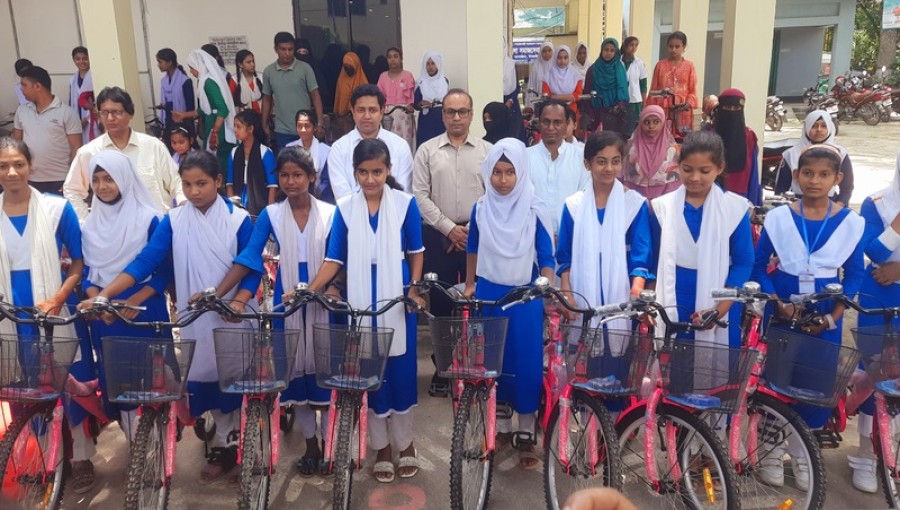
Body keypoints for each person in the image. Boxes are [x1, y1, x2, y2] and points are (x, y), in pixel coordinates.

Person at [91, 150, 261, 484]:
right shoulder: (174, 220)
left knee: (236, 378)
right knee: (206, 379)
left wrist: (240, 301)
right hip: (193, 314)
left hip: (234, 314)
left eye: (202, 183)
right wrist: (106, 294)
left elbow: (251, 265)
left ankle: (240, 444)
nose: (194, 191)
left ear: (217, 182)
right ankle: (224, 443)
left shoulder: (240, 219)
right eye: (187, 184)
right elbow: (147, 260)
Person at [211, 146, 337, 477]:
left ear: (311, 177)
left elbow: (339, 259)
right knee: (296, 377)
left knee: (326, 377)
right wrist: (222, 294)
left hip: (325, 303)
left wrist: (327, 289)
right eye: (284, 175)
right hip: (286, 304)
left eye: (298, 175)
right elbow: (252, 257)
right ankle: (311, 445)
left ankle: (332, 445)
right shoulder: (270, 214)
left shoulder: (332, 213)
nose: (291, 181)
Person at [308, 138, 426, 483]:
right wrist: (309, 290)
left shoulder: (406, 204)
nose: (371, 179)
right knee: (368, 375)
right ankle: (382, 448)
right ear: (355, 172)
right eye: (363, 172)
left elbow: (416, 251)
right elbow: (334, 259)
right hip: (359, 297)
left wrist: (414, 288)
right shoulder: (344, 208)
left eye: (377, 171)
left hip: (397, 294)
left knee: (401, 372)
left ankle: (405, 445)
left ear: (388, 170)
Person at [752, 144, 865, 490]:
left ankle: (803, 454)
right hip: (784, 308)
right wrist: (778, 302)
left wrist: (833, 317)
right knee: (776, 380)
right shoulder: (780, 218)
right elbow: (760, 265)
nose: (814, 180)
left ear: (837, 178)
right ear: (797, 175)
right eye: (808, 173)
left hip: (825, 310)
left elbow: (855, 274)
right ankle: (770, 451)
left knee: (816, 384)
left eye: (824, 174)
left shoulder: (850, 223)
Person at [0, 137, 91, 492]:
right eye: (3, 166)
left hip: (52, 313)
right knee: (25, 391)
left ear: (30, 167)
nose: (11, 172)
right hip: (10, 316)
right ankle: (41, 460)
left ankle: (81, 458)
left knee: (68, 384)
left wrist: (58, 298)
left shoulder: (56, 208)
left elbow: (79, 263)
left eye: (18, 164)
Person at [463, 137, 555, 469]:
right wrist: (470, 283)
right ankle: (499, 428)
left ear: (521, 173)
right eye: (497, 172)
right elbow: (472, 247)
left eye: (509, 172)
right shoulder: (481, 207)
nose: (502, 180)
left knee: (526, 364)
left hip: (526, 297)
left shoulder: (534, 207)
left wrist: (545, 285)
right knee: (493, 363)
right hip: (489, 293)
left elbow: (546, 255)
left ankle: (526, 432)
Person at [77, 150, 170, 462]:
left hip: (143, 310)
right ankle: (138, 446)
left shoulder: (149, 218)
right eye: (97, 180)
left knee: (153, 381)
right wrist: (97, 299)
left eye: (110, 179)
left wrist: (133, 299)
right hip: (106, 317)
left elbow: (163, 270)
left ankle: (158, 439)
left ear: (125, 179)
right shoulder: (89, 226)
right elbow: (87, 272)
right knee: (122, 385)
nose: (103, 186)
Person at [651, 129, 753, 367]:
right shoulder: (662, 207)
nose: (695, 177)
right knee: (675, 368)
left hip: (719, 297)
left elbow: (743, 260)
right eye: (687, 169)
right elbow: (654, 259)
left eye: (704, 171)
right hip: (674, 296)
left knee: (715, 376)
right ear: (678, 166)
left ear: (719, 168)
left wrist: (720, 309)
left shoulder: (734, 209)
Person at [413, 89, 491, 395]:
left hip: (480, 236)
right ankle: (444, 367)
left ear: (472, 114)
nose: (456, 118)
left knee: (478, 302)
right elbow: (420, 195)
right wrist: (448, 229)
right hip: (439, 237)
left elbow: (495, 194)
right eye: (450, 112)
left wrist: (470, 229)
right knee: (443, 306)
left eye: (462, 111)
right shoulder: (427, 151)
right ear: (442, 114)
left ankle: (476, 367)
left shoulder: (488, 151)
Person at [557, 131, 653, 330]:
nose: (609, 168)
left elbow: (641, 255)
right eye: (601, 162)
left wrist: (637, 289)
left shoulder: (634, 204)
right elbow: (565, 258)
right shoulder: (573, 206)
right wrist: (567, 295)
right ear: (587, 164)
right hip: (581, 296)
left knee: (620, 355)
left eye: (615, 161)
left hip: (623, 296)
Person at [853, 149, 900, 493]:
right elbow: (875, 251)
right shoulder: (877, 203)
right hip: (879, 296)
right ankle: (867, 455)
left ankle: (892, 450)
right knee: (876, 374)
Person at [65, 86, 184, 219]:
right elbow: (72, 190)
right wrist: (85, 221)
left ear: (130, 114)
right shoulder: (90, 152)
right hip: (112, 232)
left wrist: (183, 205)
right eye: (104, 113)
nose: (110, 118)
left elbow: (177, 181)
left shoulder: (153, 146)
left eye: (116, 112)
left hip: (156, 229)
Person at [328, 84, 413, 200]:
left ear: (382, 111)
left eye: (372, 110)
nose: (367, 116)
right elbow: (343, 198)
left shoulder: (400, 146)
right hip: (352, 216)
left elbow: (403, 193)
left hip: (394, 215)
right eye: (361, 110)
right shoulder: (339, 149)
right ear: (352, 111)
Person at [12, 66, 82, 195]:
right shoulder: (22, 111)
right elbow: (15, 145)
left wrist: (71, 179)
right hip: (30, 179)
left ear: (37, 86)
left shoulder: (66, 113)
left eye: (24, 85)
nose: (21, 89)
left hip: (60, 179)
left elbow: (76, 148)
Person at [526, 100, 589, 234]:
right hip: (532, 240)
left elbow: (586, 197)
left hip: (572, 240)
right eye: (546, 122)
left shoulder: (582, 157)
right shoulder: (524, 158)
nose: (551, 128)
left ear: (567, 125)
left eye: (557, 122)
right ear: (539, 123)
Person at [775, 112, 854, 206]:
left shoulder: (840, 153)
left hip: (830, 203)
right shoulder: (791, 154)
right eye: (814, 126)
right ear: (806, 127)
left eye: (824, 126)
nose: (819, 130)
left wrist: (839, 206)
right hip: (797, 203)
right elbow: (781, 188)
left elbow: (847, 187)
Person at [262, 32, 325, 150]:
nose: (287, 53)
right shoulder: (269, 72)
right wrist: (264, 123)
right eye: (283, 49)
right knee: (286, 166)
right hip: (282, 130)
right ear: (276, 49)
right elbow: (267, 99)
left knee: (308, 165)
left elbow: (315, 95)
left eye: (290, 49)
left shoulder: (305, 68)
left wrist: (320, 123)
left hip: (305, 127)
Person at [186, 49, 237, 176]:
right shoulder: (204, 81)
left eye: (192, 68)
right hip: (213, 124)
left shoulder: (208, 82)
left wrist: (215, 132)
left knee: (219, 165)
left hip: (219, 129)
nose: (191, 72)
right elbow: (203, 110)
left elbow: (222, 109)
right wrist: (182, 115)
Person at [713, 88, 761, 206]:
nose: (732, 111)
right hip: (712, 195)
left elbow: (753, 173)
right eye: (727, 107)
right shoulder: (708, 135)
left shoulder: (749, 136)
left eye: (736, 108)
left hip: (741, 197)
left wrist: (753, 203)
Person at [622, 105, 681, 199]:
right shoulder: (632, 147)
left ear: (663, 123)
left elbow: (675, 179)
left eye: (656, 122)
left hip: (663, 198)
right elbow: (625, 175)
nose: (651, 126)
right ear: (641, 123)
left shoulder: (671, 148)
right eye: (647, 122)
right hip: (636, 199)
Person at [227, 109, 276, 216]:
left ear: (250, 129)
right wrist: (232, 208)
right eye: (234, 126)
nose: (235, 130)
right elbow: (229, 184)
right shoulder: (234, 152)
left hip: (259, 200)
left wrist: (270, 211)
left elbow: (272, 186)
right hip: (239, 197)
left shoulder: (265, 152)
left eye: (239, 127)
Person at [648, 31, 698, 134]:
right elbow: (653, 91)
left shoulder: (689, 66)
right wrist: (650, 111)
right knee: (662, 140)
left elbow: (692, 90)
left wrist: (687, 104)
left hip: (683, 112)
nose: (673, 49)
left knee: (682, 143)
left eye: (677, 46)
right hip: (662, 111)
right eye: (671, 46)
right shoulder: (660, 65)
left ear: (683, 47)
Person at [286, 110, 333, 204]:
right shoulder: (289, 148)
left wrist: (313, 195)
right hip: (295, 195)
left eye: (307, 126)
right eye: (299, 126)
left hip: (320, 196)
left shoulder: (326, 151)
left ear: (314, 127)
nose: (303, 130)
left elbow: (326, 180)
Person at [585, 38, 630, 136]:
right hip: (597, 113)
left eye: (612, 50)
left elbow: (623, 92)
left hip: (615, 114)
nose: (608, 53)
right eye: (606, 50)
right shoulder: (593, 70)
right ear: (601, 50)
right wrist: (590, 115)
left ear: (616, 52)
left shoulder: (619, 69)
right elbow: (587, 93)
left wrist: (619, 107)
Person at [377, 47, 417, 152]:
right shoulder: (383, 77)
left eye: (396, 56)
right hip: (387, 115)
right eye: (390, 57)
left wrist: (410, 106)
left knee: (404, 145)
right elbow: (379, 97)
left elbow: (411, 99)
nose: (393, 60)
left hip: (403, 115)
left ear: (401, 58)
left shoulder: (407, 75)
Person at [156, 48, 195, 134]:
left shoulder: (185, 81)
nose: (158, 65)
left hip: (183, 122)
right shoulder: (163, 81)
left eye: (160, 62)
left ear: (169, 63)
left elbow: (190, 107)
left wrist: (190, 129)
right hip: (168, 120)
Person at [414, 52, 448, 147]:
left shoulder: (444, 82)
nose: (430, 67)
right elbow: (415, 104)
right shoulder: (420, 82)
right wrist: (421, 103)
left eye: (433, 63)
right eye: (428, 64)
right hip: (426, 120)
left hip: (441, 119)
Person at [542, 45, 584, 114]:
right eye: (559, 58)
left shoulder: (575, 75)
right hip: (553, 111)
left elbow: (578, 94)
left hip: (571, 111)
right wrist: (567, 97)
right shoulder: (548, 75)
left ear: (569, 58)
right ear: (555, 58)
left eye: (565, 58)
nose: (562, 61)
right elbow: (546, 96)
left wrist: (556, 97)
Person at [69, 46, 98, 144]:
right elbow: (72, 102)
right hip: (79, 121)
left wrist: (88, 119)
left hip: (93, 120)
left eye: (85, 58)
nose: (81, 62)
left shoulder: (95, 76)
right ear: (74, 60)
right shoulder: (73, 80)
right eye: (78, 59)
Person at [294, 38, 331, 114]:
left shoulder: (315, 69)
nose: (302, 55)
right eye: (299, 52)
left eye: (305, 52)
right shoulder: (289, 71)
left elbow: (322, 92)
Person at [621, 36, 648, 137]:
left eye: (636, 45)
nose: (634, 48)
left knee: (633, 129)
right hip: (621, 100)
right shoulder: (618, 62)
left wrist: (644, 102)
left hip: (635, 100)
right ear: (625, 46)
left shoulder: (639, 63)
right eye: (631, 45)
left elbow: (643, 83)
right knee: (622, 128)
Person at [502, 38, 527, 142]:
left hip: (511, 103)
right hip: (497, 102)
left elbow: (516, 87)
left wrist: (511, 100)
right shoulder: (489, 65)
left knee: (514, 136)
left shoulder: (511, 64)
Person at [334, 51, 369, 116]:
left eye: (350, 67)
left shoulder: (363, 83)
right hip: (342, 119)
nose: (348, 69)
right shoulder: (341, 80)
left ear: (356, 66)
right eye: (345, 67)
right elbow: (338, 100)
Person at [232, 49, 263, 114]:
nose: (252, 64)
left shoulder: (261, 78)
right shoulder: (234, 80)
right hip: (244, 119)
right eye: (248, 62)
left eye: (253, 61)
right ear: (240, 64)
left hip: (262, 116)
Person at [526, 41, 554, 108]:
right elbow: (531, 84)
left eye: (549, 50)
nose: (547, 53)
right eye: (544, 51)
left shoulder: (557, 66)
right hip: (539, 102)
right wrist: (530, 106)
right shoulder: (535, 67)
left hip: (554, 102)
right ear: (540, 53)